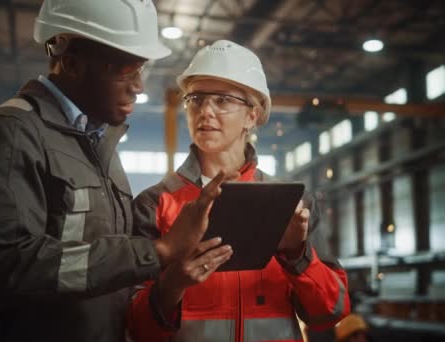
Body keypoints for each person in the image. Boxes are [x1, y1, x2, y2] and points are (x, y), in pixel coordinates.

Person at [0, 1, 231, 341]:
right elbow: (9, 271)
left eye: (142, 69)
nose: (139, 86)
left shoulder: (101, 144)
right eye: (126, 69)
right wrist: (156, 252)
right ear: (72, 63)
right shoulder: (12, 134)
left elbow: (103, 273)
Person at [127, 40, 351, 342]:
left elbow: (330, 312)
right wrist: (172, 287)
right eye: (196, 98)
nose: (205, 110)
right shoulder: (155, 204)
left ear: (252, 116)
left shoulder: (292, 205)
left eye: (222, 100)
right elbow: (135, 330)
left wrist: (296, 255)